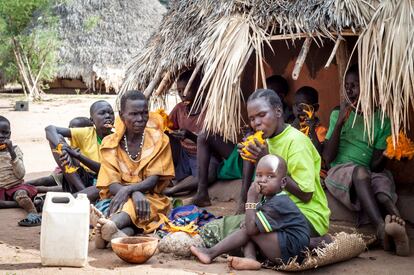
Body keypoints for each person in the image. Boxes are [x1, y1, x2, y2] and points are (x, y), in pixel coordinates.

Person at [323, 64, 409, 256]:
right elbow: (327, 158)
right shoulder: (338, 113)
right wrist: (339, 124)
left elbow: (375, 166)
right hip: (340, 170)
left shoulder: (382, 120)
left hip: (368, 172)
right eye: (347, 85)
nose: (349, 90)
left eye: (355, 85)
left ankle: (396, 228)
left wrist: (388, 153)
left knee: (382, 191)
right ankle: (380, 227)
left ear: (370, 88)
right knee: (360, 172)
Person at [239, 88, 331, 248]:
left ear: (278, 111)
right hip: (277, 210)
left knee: (249, 232)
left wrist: (267, 160)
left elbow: (306, 195)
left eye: (262, 115)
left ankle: (313, 242)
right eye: (252, 118)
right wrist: (251, 159)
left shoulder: (297, 142)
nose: (256, 123)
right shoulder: (265, 142)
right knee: (242, 229)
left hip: (307, 216)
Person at [191, 154, 310, 270]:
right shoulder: (270, 198)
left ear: (283, 182)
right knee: (249, 226)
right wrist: (249, 223)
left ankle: (211, 253)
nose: (263, 180)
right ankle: (250, 259)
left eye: (270, 176)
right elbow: (252, 222)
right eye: (259, 175)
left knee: (249, 230)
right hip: (284, 246)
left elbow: (251, 229)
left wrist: (251, 198)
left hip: (291, 250)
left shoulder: (279, 202)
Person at [94, 90, 174, 248]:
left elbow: (153, 180)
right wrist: (133, 192)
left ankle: (109, 226)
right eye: (134, 114)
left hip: (151, 198)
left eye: (144, 113)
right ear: (122, 115)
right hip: (117, 196)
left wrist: (130, 191)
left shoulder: (160, 139)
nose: (140, 119)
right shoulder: (110, 143)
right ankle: (117, 235)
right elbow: (111, 183)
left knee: (135, 206)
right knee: (130, 208)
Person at [45, 101, 114, 202]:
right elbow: (50, 129)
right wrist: (62, 149)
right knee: (57, 139)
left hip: (104, 180)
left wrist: (79, 156)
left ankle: (81, 196)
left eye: (111, 113)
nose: (108, 116)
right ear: (92, 120)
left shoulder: (117, 139)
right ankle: (83, 192)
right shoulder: (87, 133)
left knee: (102, 188)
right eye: (102, 113)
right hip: (81, 180)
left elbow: (104, 171)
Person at [164, 70, 217, 196]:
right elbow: (168, 127)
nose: (182, 94)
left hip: (205, 157)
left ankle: (172, 190)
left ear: (199, 89)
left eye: (186, 90)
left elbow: (214, 144)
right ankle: (169, 179)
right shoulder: (179, 109)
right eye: (179, 91)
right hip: (184, 154)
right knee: (163, 138)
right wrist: (171, 133)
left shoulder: (210, 110)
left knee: (210, 173)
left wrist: (190, 136)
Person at [27, 117, 93, 193]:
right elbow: (50, 130)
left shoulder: (90, 146)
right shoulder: (72, 143)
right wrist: (63, 149)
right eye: (69, 128)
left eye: (74, 129)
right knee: (44, 180)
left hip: (81, 178)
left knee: (47, 187)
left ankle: (34, 189)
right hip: (66, 174)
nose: (70, 132)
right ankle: (21, 185)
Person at [0, 116, 41, 226]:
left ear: (10, 134)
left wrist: (12, 153)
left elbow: (20, 174)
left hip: (15, 186)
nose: (1, 136)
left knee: (21, 195)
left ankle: (34, 214)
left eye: (5, 133)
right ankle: (21, 204)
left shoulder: (15, 150)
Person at [291, 86, 327, 154]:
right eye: (296, 104)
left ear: (315, 108)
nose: (298, 109)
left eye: (303, 105)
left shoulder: (321, 131)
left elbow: (319, 153)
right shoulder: (291, 128)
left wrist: (312, 131)